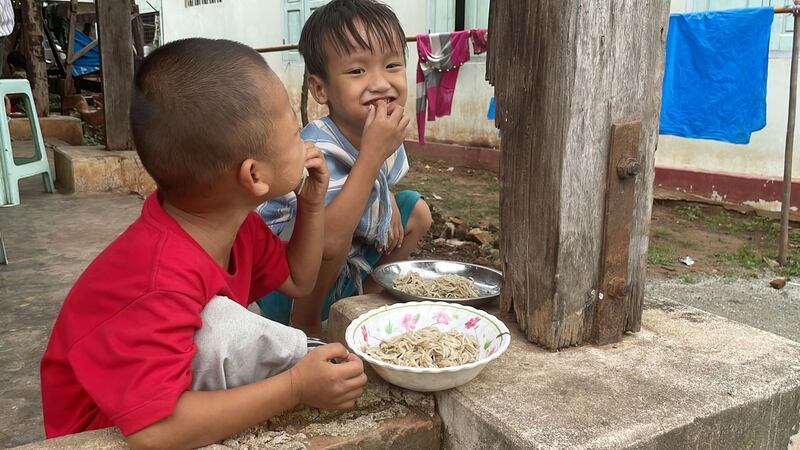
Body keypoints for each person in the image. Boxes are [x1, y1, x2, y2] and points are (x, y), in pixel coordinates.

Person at [39, 38, 366, 449]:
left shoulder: (231, 224)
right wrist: (296, 387)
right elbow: (153, 432)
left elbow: (300, 280)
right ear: (254, 177)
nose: (304, 141)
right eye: (292, 129)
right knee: (220, 325)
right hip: (104, 427)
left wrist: (312, 204)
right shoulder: (159, 277)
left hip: (156, 393)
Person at [258, 0, 432, 337]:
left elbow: (376, 180)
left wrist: (389, 197)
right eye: (358, 71)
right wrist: (371, 156)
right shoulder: (316, 148)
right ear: (321, 89)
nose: (381, 83)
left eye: (393, 65)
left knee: (418, 212)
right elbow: (323, 240)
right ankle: (306, 325)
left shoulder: (381, 129)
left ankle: (361, 299)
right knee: (328, 234)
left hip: (336, 268)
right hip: (284, 284)